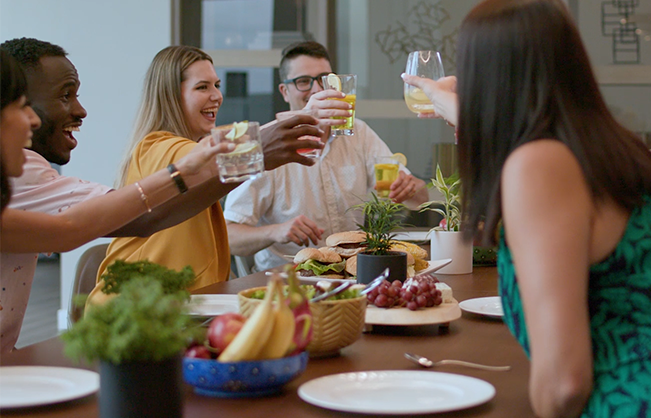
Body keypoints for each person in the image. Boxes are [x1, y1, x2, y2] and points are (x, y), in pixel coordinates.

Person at [406, 0, 651, 418]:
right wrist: (452, 105)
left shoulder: (540, 164)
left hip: (646, 410)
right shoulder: (607, 148)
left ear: (487, 78)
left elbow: (564, 386)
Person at [0, 50, 230, 352]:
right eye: (20, 107)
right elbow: (103, 223)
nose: (31, 119)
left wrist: (182, 172)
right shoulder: (158, 145)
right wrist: (190, 169)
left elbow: (68, 229)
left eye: (217, 85)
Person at [87, 45, 326, 302]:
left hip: (183, 306)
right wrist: (304, 115)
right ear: (170, 96)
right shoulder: (156, 146)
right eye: (202, 87)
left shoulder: (187, 146)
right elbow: (210, 155)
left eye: (217, 85)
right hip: (132, 312)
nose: (216, 96)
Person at [223, 41, 428, 272]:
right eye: (303, 82)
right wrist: (276, 231)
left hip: (351, 274)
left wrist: (409, 188)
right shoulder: (269, 143)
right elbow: (229, 236)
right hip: (287, 280)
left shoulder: (358, 132)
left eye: (324, 80)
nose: (317, 90)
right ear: (284, 91)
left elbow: (419, 198)